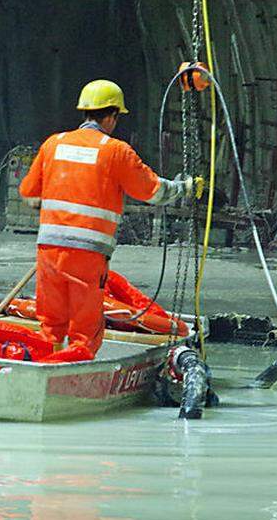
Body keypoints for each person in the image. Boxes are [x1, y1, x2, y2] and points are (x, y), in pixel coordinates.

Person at [18, 79, 195, 357]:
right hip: (87, 257)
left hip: (49, 252)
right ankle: (72, 380)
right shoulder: (115, 151)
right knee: (84, 332)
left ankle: (41, 367)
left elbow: (28, 192)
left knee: (50, 325)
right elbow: (153, 191)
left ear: (85, 112)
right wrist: (184, 187)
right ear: (111, 116)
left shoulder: (54, 144)